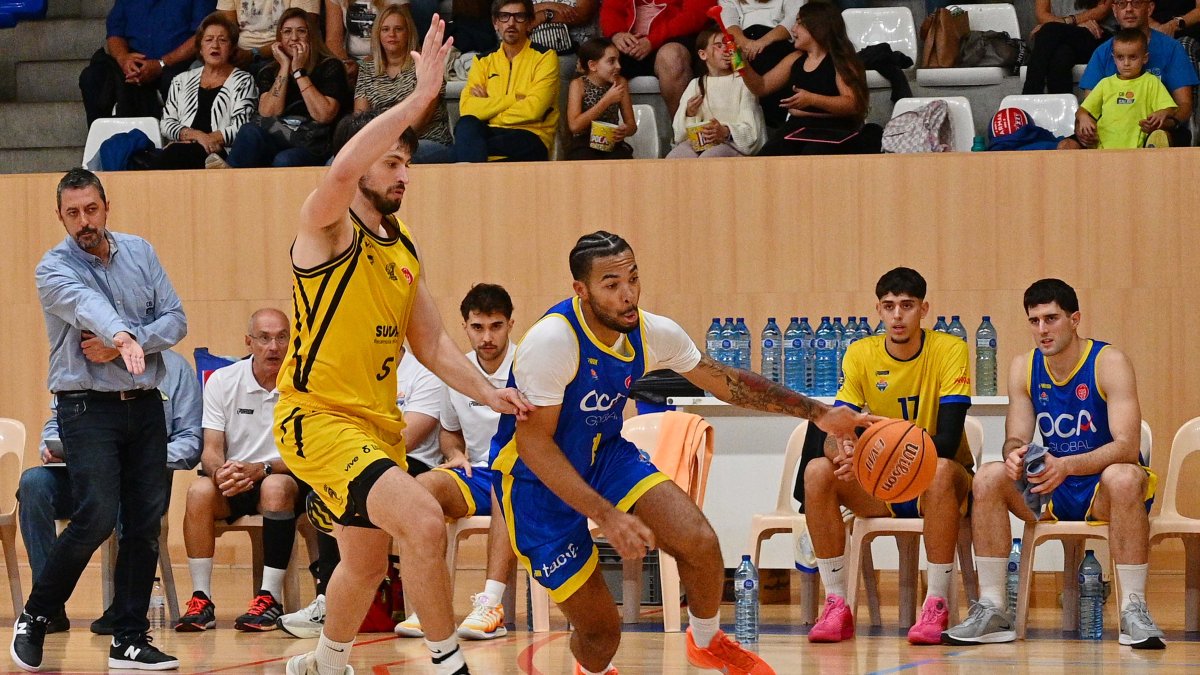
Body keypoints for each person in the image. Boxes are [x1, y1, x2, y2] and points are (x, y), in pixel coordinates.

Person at [491, 230, 876, 675]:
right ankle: (589, 669)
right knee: (602, 636)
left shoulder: (653, 331)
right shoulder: (552, 343)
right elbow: (535, 447)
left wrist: (817, 413)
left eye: (633, 278)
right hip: (536, 483)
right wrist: (609, 516)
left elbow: (726, 381)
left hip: (605, 457)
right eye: (611, 284)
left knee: (700, 542)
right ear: (581, 290)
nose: (628, 294)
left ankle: (707, 642)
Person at [274, 18, 530, 675]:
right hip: (318, 416)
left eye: (408, 162)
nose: (403, 174)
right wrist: (418, 99)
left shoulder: (403, 244)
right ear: (364, 164)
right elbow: (340, 167)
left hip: (376, 424)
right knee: (421, 518)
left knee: (362, 564)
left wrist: (488, 391)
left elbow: (436, 343)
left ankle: (327, 662)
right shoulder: (325, 227)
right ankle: (450, 666)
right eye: (392, 160)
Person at [11, 168, 187, 672]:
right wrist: (122, 336)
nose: (83, 222)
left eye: (91, 210)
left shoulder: (141, 252)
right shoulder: (52, 268)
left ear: (106, 206)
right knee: (96, 514)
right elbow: (86, 305)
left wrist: (127, 342)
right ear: (60, 216)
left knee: (144, 524)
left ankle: (128, 638)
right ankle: (37, 615)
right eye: (72, 214)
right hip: (86, 407)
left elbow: (175, 319)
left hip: (146, 403)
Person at [942, 279, 1165, 650]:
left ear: (1074, 319)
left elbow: (1127, 446)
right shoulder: (1023, 368)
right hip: (1053, 488)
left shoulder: (1109, 362)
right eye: (1034, 321)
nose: (1042, 330)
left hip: (1102, 491)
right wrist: (1015, 453)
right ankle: (994, 607)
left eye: (1051, 318)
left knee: (1124, 476)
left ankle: (1133, 609)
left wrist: (1067, 465)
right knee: (989, 476)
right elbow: (1016, 436)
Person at [802, 268, 973, 645]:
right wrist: (844, 451)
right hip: (881, 486)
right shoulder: (861, 353)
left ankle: (937, 603)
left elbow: (946, 438)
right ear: (878, 310)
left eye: (907, 306)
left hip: (939, 485)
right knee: (817, 470)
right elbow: (834, 429)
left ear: (923, 309)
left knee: (943, 469)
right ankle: (836, 604)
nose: (898, 315)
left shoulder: (950, 349)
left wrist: (888, 446)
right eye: (889, 306)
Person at [17, 349, 201, 636]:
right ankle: (48, 607)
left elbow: (190, 441)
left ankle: (123, 609)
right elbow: (58, 419)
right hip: (83, 471)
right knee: (33, 484)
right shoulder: (82, 359)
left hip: (140, 478)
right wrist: (49, 444)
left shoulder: (175, 368)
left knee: (124, 497)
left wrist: (143, 457)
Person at [394, 283, 519, 641]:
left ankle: (491, 603)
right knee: (422, 488)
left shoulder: (528, 367)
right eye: (478, 327)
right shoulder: (455, 372)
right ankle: (428, 605)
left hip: (525, 479)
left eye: (496, 326)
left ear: (511, 324)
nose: (487, 337)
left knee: (505, 482)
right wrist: (453, 453)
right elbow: (449, 432)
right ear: (464, 327)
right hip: (475, 473)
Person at [174, 309, 303, 633]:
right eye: (264, 338)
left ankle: (269, 598)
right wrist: (220, 475)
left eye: (281, 337)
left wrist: (260, 469)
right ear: (249, 342)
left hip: (281, 477)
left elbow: (309, 454)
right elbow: (211, 450)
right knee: (199, 491)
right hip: (235, 479)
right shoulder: (223, 380)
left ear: (292, 340)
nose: (273, 347)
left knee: (276, 487)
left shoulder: (304, 385)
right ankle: (201, 599)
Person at [219, 8, 353, 168]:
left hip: (314, 143)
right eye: (287, 32)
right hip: (278, 136)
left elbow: (324, 115)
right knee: (249, 131)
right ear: (279, 38)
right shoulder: (269, 71)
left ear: (312, 36)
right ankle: (228, 180)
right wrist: (284, 67)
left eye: (301, 31)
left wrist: (299, 72)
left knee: (285, 160)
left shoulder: (330, 66)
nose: (294, 38)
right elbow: (269, 112)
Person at [743, 2, 880, 156]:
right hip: (797, 126)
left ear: (817, 27)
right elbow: (761, 87)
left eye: (799, 23)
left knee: (813, 155)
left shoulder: (840, 60)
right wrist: (742, 65)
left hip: (835, 128)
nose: (793, 29)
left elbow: (853, 103)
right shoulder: (795, 58)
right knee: (766, 158)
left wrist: (813, 100)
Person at [1063, 0, 1198, 148]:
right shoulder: (1102, 52)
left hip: (1161, 129)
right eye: (1122, 4)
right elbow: (1089, 109)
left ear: (1150, 8)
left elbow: (1184, 106)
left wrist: (1166, 122)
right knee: (1066, 146)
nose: (1128, 9)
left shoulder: (1172, 48)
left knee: (1160, 140)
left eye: (1136, 3)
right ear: (1114, 10)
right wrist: (1083, 130)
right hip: (1108, 131)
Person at [139, 13, 258, 170]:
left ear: (231, 48)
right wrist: (197, 136)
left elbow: (240, 127)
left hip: (218, 154)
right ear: (200, 48)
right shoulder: (181, 80)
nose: (215, 45)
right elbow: (167, 124)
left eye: (222, 40)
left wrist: (208, 140)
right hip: (183, 146)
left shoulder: (243, 80)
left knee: (173, 155)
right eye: (209, 40)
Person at [452, 0, 561, 162]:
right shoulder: (482, 61)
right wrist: (513, 99)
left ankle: (468, 167)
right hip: (490, 132)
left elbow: (533, 110)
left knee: (464, 148)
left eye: (519, 17)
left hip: (530, 135)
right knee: (466, 124)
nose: (511, 23)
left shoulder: (545, 57)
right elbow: (468, 108)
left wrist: (488, 109)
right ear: (495, 23)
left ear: (530, 23)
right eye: (504, 16)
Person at [78, 0, 215, 126]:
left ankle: (182, 142)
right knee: (92, 78)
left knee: (177, 81)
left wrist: (162, 63)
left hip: (177, 61)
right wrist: (123, 58)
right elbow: (115, 32)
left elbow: (202, 34)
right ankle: (104, 143)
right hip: (133, 62)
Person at [353, 3, 454, 163]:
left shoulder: (426, 63)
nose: (391, 34)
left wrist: (387, 146)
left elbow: (421, 120)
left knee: (387, 159)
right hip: (380, 145)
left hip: (425, 141)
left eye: (398, 29)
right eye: (385, 29)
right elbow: (360, 119)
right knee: (334, 162)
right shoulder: (367, 68)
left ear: (409, 33)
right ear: (378, 34)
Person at [599, 0, 711, 117]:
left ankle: (682, 130)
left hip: (673, 38)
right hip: (630, 41)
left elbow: (695, 15)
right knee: (599, 58)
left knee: (672, 56)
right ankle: (597, 129)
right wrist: (617, 34)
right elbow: (611, 9)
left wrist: (652, 40)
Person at [667, 28, 765, 158]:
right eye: (719, 46)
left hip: (732, 145)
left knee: (710, 158)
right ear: (703, 54)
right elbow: (679, 135)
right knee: (676, 157)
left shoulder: (744, 82)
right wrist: (689, 114)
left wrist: (725, 132)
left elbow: (752, 131)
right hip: (702, 143)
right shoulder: (696, 84)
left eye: (728, 45)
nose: (726, 50)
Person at [1076, 28, 1178, 147]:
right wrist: (1083, 118)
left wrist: (1163, 113)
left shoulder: (1151, 82)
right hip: (1104, 150)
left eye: (1133, 57)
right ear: (1114, 58)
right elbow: (1083, 110)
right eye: (1120, 57)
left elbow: (1171, 109)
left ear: (1145, 58)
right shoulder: (1105, 84)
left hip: (1138, 150)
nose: (1126, 63)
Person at [718, 0, 802, 124]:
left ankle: (767, 123)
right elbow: (729, 21)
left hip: (778, 40)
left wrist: (763, 42)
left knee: (765, 58)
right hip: (741, 40)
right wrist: (746, 44)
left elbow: (795, 18)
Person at [1022, 0, 1115, 95]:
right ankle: (1061, 106)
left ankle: (1030, 94)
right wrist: (1071, 24)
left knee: (1048, 31)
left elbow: (1103, 10)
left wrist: (1069, 22)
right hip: (1059, 36)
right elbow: (1042, 14)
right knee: (1061, 55)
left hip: (1097, 33)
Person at [565, 38, 637, 160]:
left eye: (618, 60)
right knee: (584, 159)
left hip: (612, 142)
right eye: (611, 61)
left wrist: (625, 130)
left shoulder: (620, 83)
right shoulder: (578, 85)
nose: (618, 66)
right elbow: (574, 126)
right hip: (584, 143)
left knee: (622, 160)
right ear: (593, 65)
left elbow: (632, 125)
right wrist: (606, 100)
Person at [218, 0, 320, 73]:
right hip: (239, 53)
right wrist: (232, 52)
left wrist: (254, 54)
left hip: (284, 54)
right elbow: (227, 28)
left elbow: (301, 33)